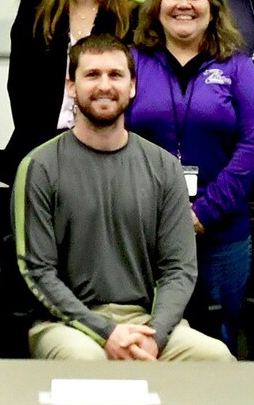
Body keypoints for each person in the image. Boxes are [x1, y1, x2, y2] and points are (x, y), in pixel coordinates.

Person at [15, 34, 234, 363]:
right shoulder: (39, 167)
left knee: (215, 358)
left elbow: (180, 269)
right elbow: (37, 271)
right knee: (88, 363)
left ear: (132, 86)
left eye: (115, 75)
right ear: (71, 86)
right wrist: (105, 333)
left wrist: (155, 336)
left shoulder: (164, 167)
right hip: (65, 325)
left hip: (147, 323)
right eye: (92, 75)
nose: (105, 85)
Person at [126, 0, 254, 349]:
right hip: (145, 228)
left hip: (221, 230)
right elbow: (114, 136)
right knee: (147, 336)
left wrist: (203, 213)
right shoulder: (132, 62)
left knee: (219, 338)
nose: (184, 4)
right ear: (157, 6)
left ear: (214, 7)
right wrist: (162, 213)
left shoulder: (236, 66)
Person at [3, 0, 137, 173]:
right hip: (38, 151)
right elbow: (18, 88)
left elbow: (134, 91)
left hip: (110, 156)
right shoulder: (33, 12)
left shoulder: (133, 16)